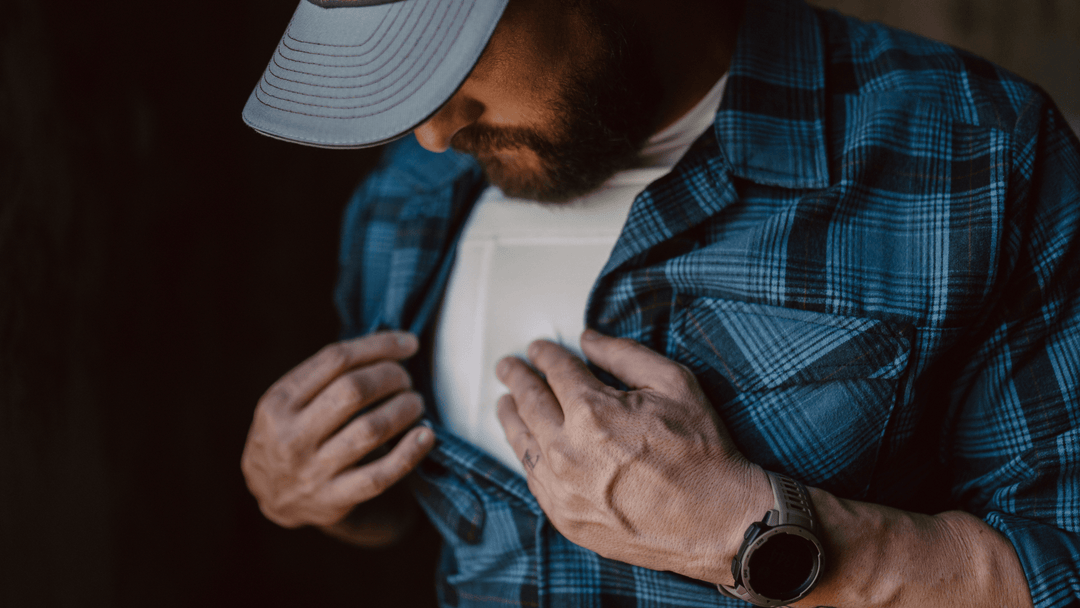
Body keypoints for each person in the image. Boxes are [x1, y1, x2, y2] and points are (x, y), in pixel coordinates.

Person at [239, 0, 1080, 606]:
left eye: (452, 44)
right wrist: (318, 494)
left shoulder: (978, 154)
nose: (430, 129)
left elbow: (1064, 564)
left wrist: (749, 534)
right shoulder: (405, 198)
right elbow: (441, 524)